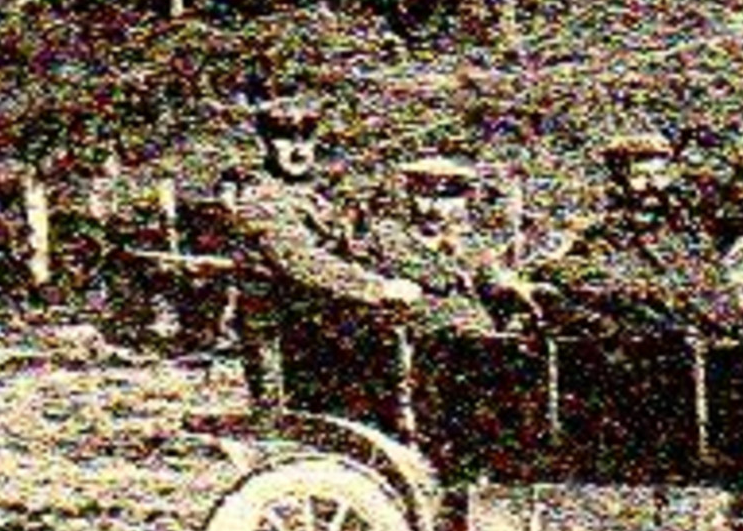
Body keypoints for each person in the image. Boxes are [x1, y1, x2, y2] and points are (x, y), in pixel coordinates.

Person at [230, 96, 421, 409]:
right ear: (264, 142)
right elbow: (302, 261)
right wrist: (377, 288)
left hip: (329, 326)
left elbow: (359, 246)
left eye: (306, 138)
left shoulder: (316, 195)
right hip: (284, 338)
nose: (298, 149)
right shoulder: (260, 203)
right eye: (284, 139)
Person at [532, 132, 742, 334]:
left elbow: (717, 294)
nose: (653, 185)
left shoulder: (688, 232)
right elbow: (560, 272)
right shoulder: (606, 236)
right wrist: (642, 290)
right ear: (620, 180)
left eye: (660, 175)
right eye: (640, 176)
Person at [359, 155, 538, 336]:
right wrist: (379, 287)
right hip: (416, 336)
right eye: (425, 194)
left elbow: (489, 282)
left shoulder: (469, 244)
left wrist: (513, 291)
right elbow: (340, 271)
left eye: (448, 197)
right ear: (410, 193)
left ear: (464, 199)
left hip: (477, 334)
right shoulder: (385, 238)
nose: (435, 206)